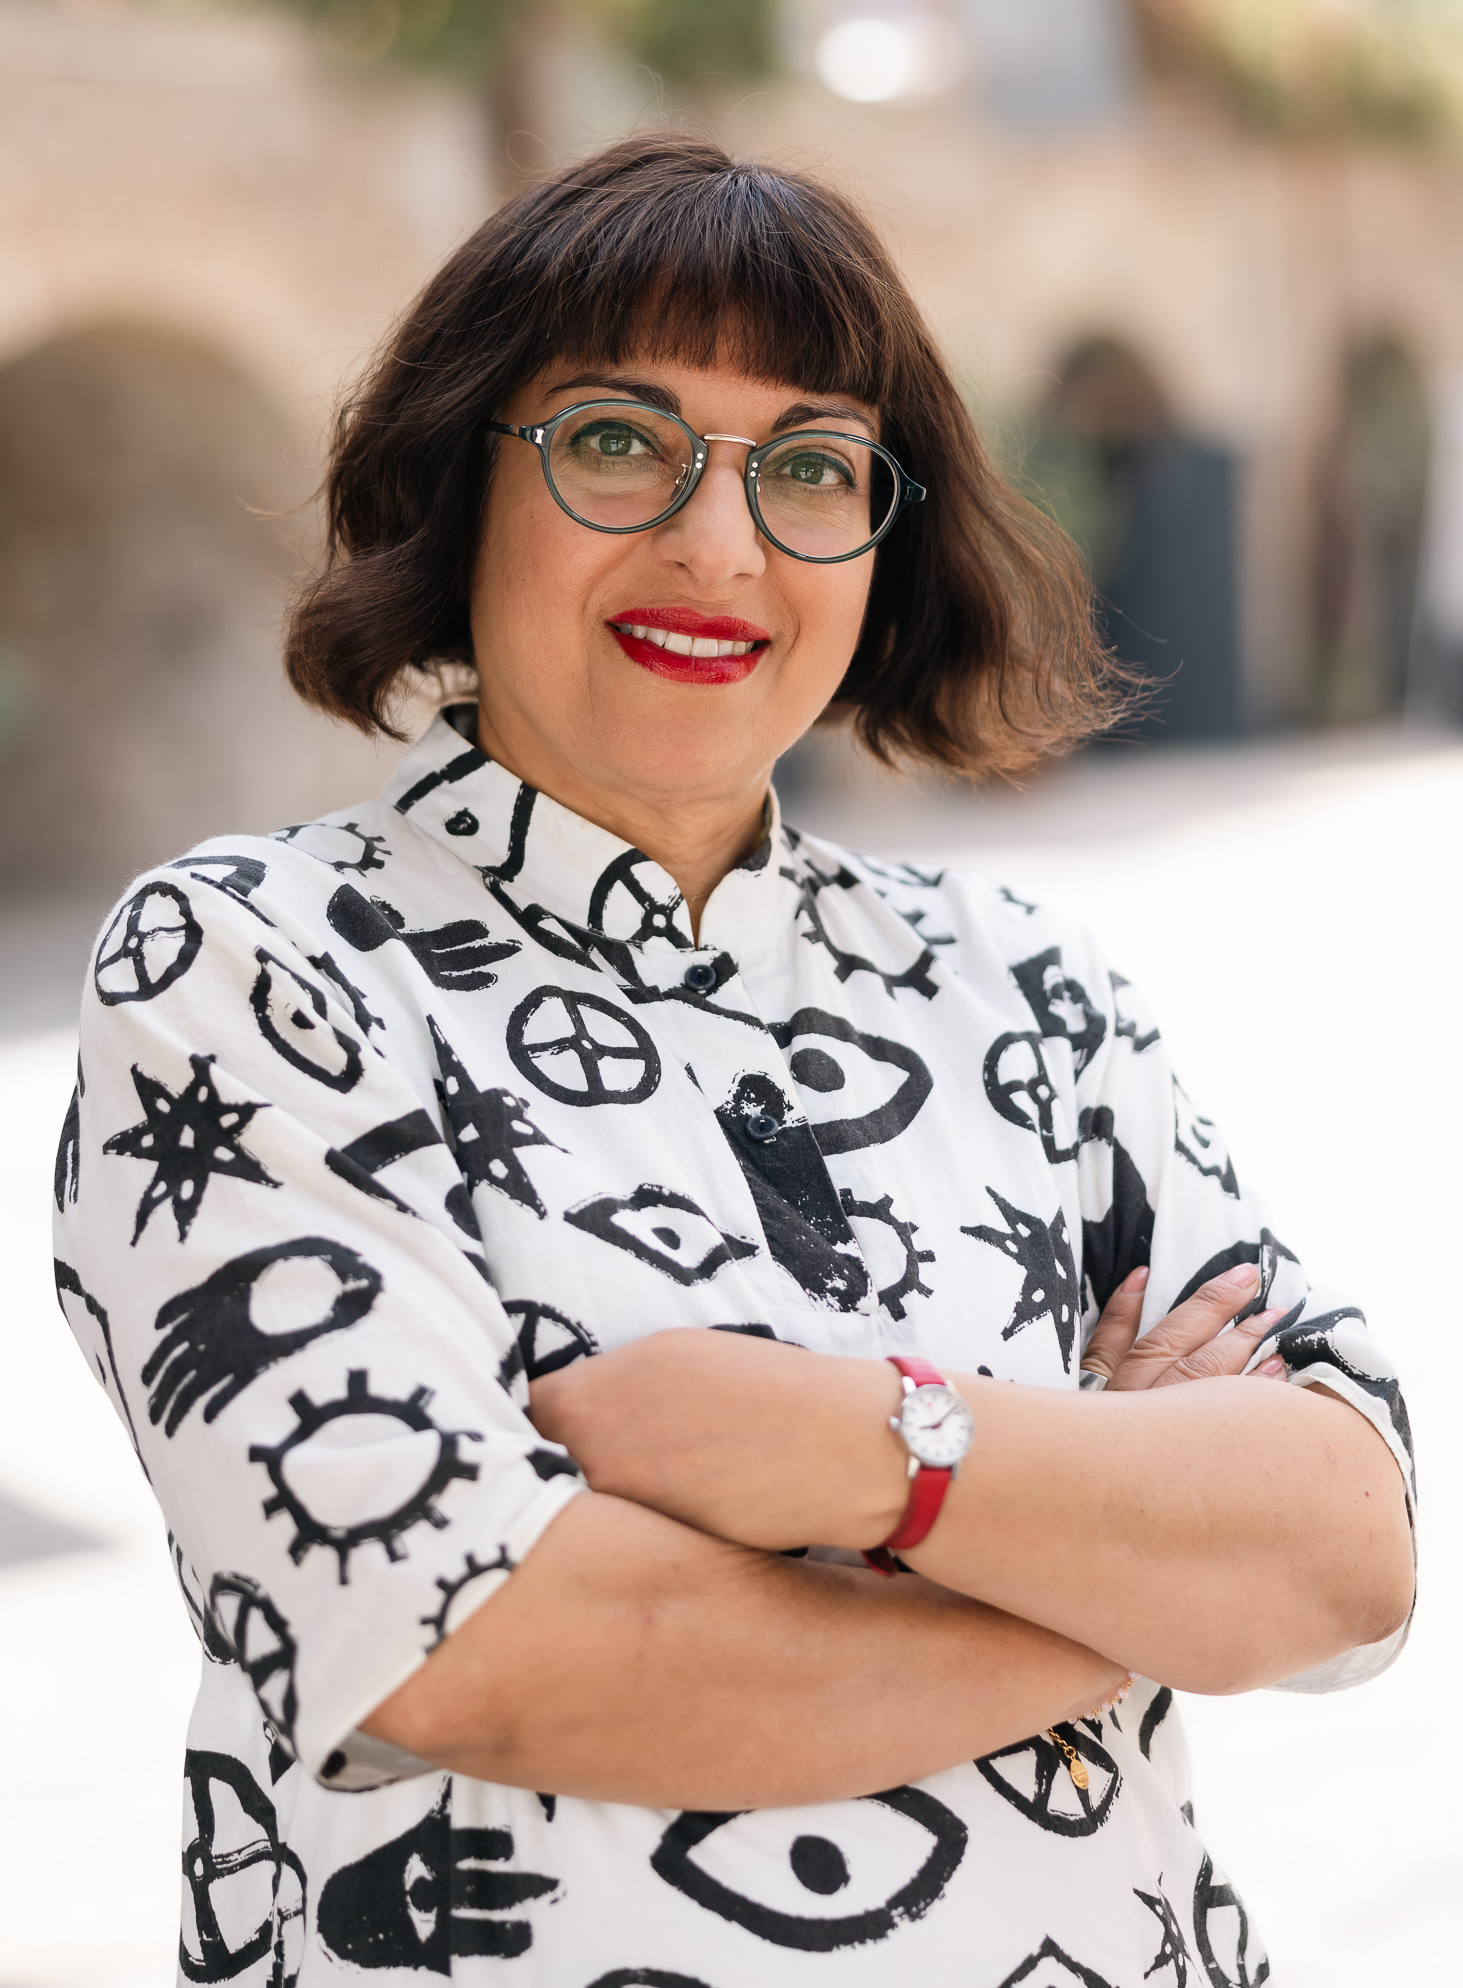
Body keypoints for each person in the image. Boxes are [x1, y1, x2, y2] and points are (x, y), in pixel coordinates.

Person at [54, 134, 1415, 1988]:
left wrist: (868, 1456)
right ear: (467, 478)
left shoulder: (1019, 985)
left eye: (809, 467)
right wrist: (1108, 1573)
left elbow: (1341, 1551)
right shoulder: (251, 971)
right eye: (618, 440)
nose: (720, 543)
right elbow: (480, 1653)